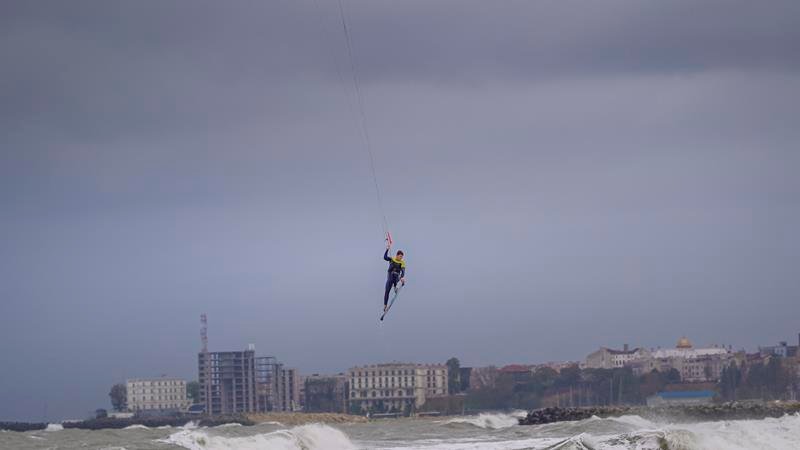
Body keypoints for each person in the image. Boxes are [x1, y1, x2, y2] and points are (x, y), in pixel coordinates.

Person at [383, 244, 406, 311]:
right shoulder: (392, 259)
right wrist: (387, 249)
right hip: (390, 277)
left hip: (397, 278)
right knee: (387, 291)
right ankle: (385, 305)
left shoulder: (402, 262)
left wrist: (402, 278)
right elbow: (385, 257)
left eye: (402, 257)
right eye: (400, 256)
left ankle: (395, 286)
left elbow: (403, 271)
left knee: (396, 274)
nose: (401, 258)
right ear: (397, 255)